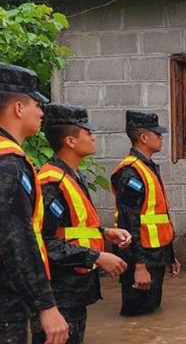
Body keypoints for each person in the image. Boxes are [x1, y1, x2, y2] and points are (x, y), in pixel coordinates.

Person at [31, 105, 132, 344]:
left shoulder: (73, 177)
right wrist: (97, 257)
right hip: (58, 294)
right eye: (88, 132)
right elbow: (45, 242)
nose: (94, 137)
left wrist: (105, 232)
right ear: (70, 141)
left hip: (75, 291)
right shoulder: (51, 184)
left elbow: (70, 227)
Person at [0, 62, 68, 344]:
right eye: (36, 105)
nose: (41, 113)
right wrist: (46, 306)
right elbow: (16, 238)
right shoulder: (9, 163)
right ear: (18, 108)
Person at [111, 110, 179, 317]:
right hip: (141, 257)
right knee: (136, 316)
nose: (161, 137)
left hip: (156, 254)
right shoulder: (130, 172)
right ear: (143, 137)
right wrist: (139, 265)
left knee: (150, 314)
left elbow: (159, 218)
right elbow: (128, 221)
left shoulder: (147, 167)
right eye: (157, 134)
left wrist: (170, 256)